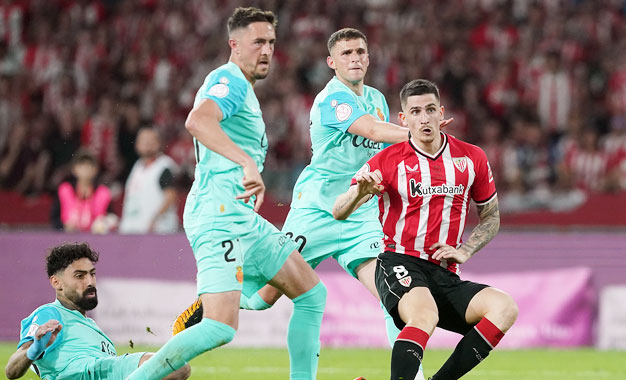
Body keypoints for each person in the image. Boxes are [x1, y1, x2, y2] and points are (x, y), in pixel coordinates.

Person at [172, 28, 450, 380]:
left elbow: (387, 154)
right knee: (267, 297)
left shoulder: (378, 99)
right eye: (346, 53)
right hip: (315, 212)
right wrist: (430, 135)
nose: (355, 58)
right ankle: (217, 302)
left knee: (393, 295)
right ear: (332, 63)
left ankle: (413, 377)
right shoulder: (332, 99)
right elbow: (375, 132)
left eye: (360, 52)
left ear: (368, 57)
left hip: (360, 216)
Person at [125, 7, 325, 380]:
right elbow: (197, 120)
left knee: (312, 294)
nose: (266, 51)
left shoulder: (243, 87)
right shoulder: (229, 81)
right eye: (257, 43)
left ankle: (225, 301)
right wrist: (247, 162)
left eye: (271, 43)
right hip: (217, 215)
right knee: (221, 328)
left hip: (242, 217)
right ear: (234, 45)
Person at [333, 79, 519, 380]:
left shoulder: (471, 157)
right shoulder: (387, 160)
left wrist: (466, 250)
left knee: (504, 308)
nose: (424, 118)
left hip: (444, 274)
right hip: (399, 263)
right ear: (404, 119)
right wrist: (357, 193)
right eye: (416, 111)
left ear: (441, 113)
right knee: (424, 315)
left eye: (430, 109)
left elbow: (491, 217)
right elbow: (338, 211)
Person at [4, 242, 190, 380]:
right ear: (56, 282)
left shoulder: (95, 330)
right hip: (86, 373)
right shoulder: (51, 313)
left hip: (101, 370)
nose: (90, 282)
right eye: (80, 276)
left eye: (92, 274)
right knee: (176, 366)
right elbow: (11, 371)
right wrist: (35, 349)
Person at [119, 127, 179, 234]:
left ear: (159, 143)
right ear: (137, 144)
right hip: (134, 228)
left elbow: (170, 195)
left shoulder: (164, 166)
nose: (147, 144)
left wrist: (155, 219)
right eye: (143, 141)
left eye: (151, 141)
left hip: (158, 230)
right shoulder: (137, 166)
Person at [51, 149, 114, 233]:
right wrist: (63, 226)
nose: (85, 170)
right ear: (74, 169)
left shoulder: (103, 193)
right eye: (81, 166)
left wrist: (103, 225)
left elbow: (111, 219)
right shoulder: (65, 190)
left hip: (95, 240)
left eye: (88, 166)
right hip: (68, 241)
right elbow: (55, 219)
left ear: (95, 170)